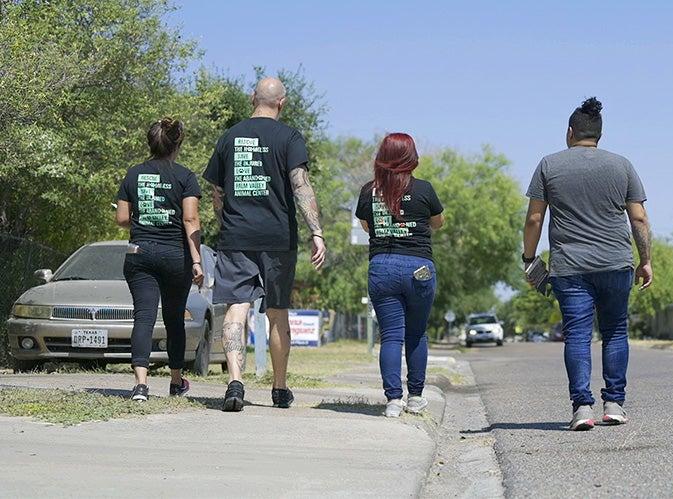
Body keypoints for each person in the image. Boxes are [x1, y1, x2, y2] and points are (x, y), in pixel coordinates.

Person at [523, 97, 652, 430]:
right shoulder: (621, 165)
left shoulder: (549, 165)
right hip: (615, 263)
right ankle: (614, 404)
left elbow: (535, 219)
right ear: (599, 134)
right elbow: (638, 218)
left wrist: (529, 258)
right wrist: (645, 260)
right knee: (614, 332)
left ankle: (582, 408)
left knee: (577, 337)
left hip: (570, 267)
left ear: (570, 132)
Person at [203, 77, 326, 412]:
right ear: (281, 103)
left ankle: (234, 383)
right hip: (277, 238)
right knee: (277, 313)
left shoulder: (229, 137)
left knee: (235, 309)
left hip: (236, 237)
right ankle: (279, 388)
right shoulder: (289, 138)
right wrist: (316, 231)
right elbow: (301, 186)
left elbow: (217, 193)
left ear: (251, 98)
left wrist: (227, 219)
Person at [356, 133, 445, 418]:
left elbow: (367, 226)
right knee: (416, 334)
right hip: (418, 267)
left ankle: (393, 400)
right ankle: (416, 397)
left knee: (391, 336)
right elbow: (438, 223)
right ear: (411, 158)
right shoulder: (424, 189)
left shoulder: (368, 191)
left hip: (382, 267)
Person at [116, 117, 204, 401]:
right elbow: (190, 219)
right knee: (173, 318)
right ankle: (176, 381)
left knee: (143, 317)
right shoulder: (185, 177)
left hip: (139, 253)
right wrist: (197, 261)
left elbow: (121, 219)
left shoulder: (133, 174)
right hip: (174, 255)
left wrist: (145, 222)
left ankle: (141, 385)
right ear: (177, 144)